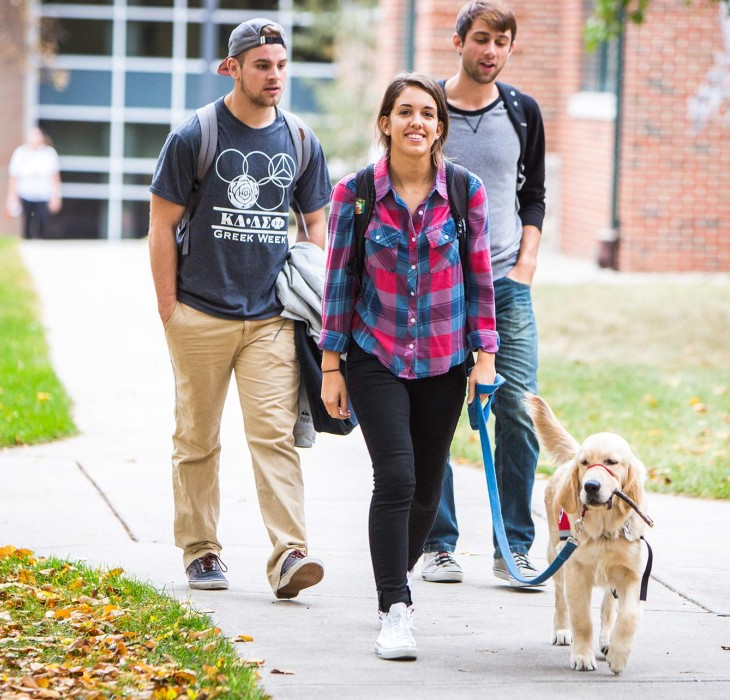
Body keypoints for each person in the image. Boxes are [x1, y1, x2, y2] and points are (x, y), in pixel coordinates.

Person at [147, 18, 332, 600]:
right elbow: (160, 227)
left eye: (280, 65)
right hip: (199, 312)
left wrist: (309, 290)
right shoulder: (194, 136)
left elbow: (317, 224)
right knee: (197, 437)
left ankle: (289, 554)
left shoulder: (300, 140)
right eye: (261, 65)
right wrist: (169, 310)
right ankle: (201, 552)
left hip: (271, 317)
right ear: (232, 68)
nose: (274, 75)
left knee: (274, 435)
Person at [319, 73, 499, 660]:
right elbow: (340, 278)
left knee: (427, 485)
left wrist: (485, 358)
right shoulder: (356, 194)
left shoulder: (466, 192)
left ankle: (393, 577)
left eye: (428, 113)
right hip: (377, 353)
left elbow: (480, 280)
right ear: (385, 123)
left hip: (447, 360)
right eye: (405, 112)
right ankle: (395, 606)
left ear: (440, 126)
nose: (416, 122)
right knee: (395, 477)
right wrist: (331, 363)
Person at [420, 0, 548, 588]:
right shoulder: (426, 108)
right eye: (480, 39)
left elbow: (534, 196)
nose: (490, 51)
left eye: (501, 42)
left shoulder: (523, 111)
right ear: (458, 42)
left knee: (519, 412)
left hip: (504, 286)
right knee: (436, 416)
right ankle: (439, 543)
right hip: (438, 287)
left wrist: (525, 265)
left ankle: (512, 545)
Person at [6, 127, 62, 239]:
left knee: (42, 219)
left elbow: (55, 177)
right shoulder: (20, 153)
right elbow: (13, 176)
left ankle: (40, 240)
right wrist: (12, 196)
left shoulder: (48, 153)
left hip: (43, 194)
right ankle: (26, 242)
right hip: (25, 193)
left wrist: (56, 196)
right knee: (27, 220)